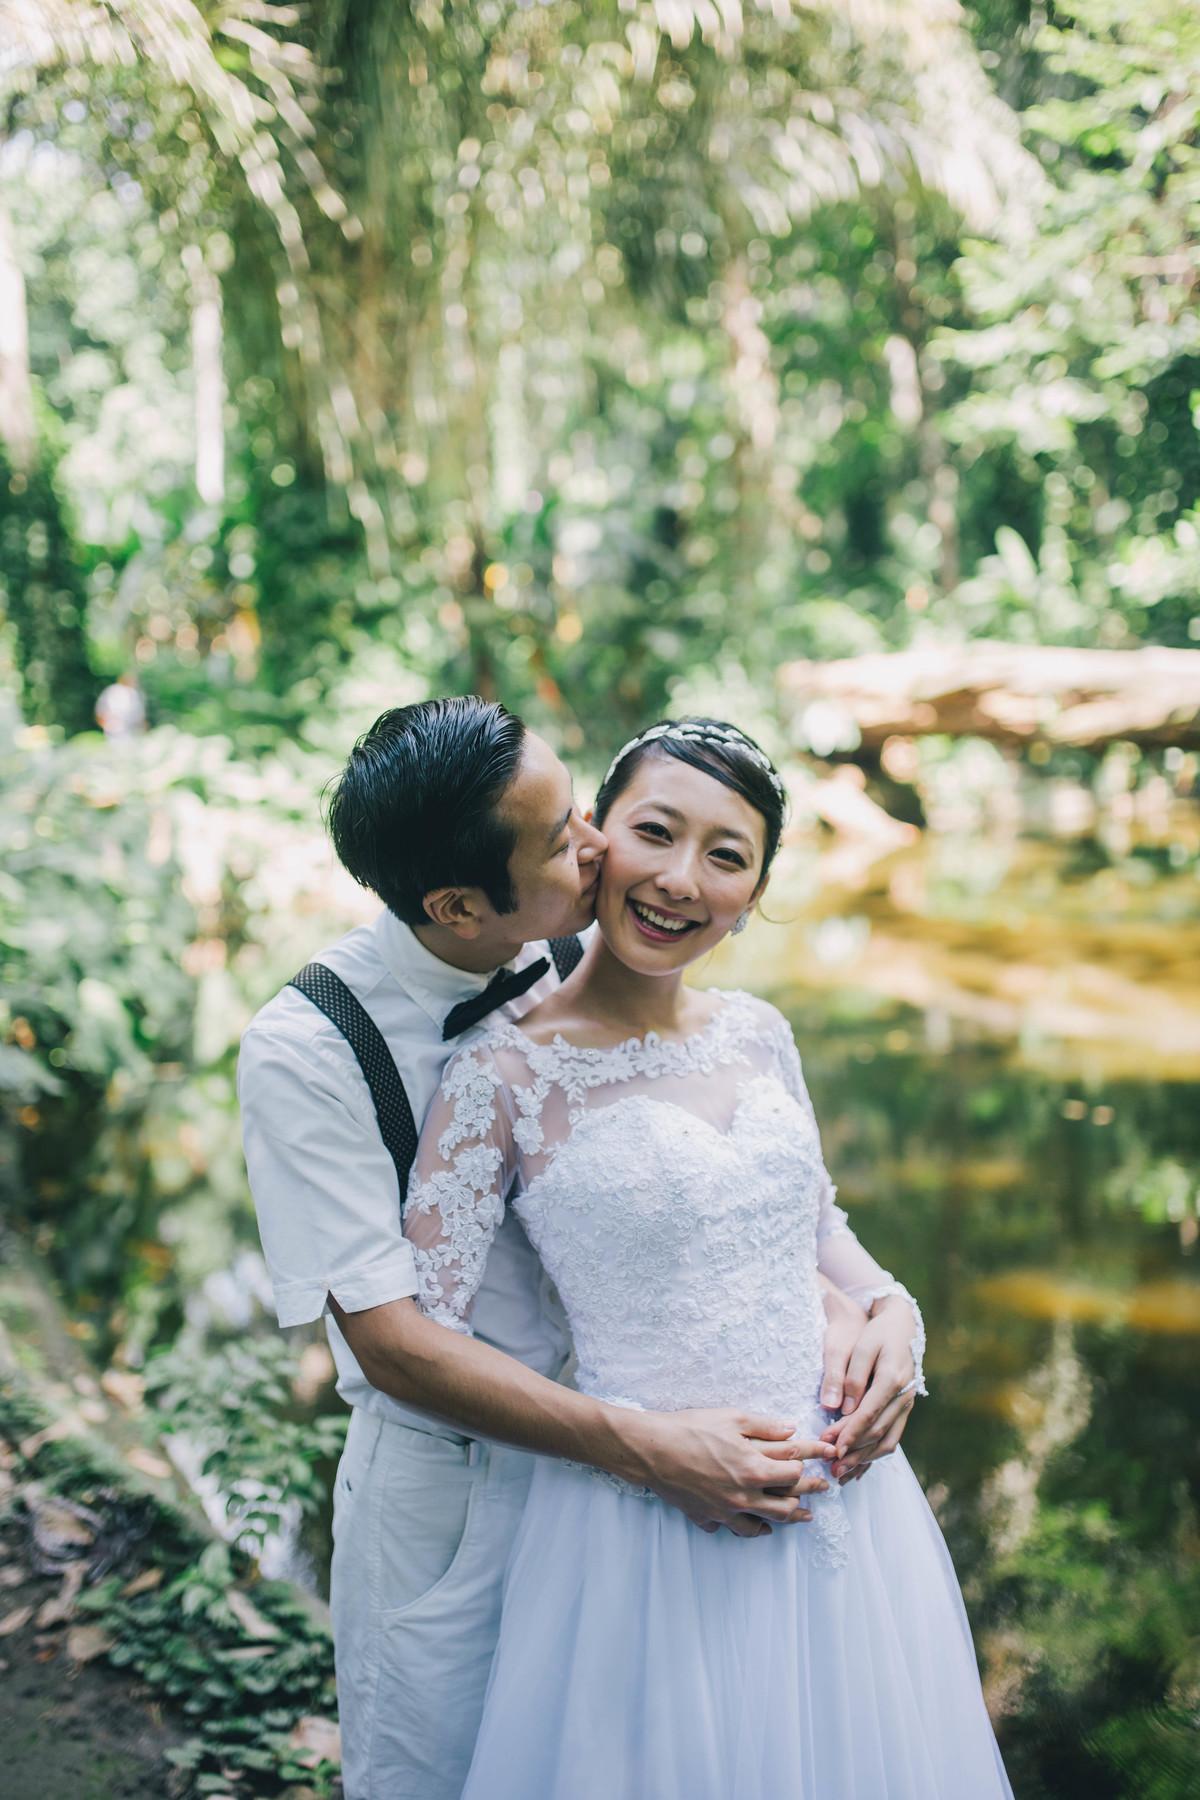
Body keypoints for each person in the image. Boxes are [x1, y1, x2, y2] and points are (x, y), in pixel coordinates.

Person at [238, 699, 921, 1800]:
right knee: (448, 1772)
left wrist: (870, 1307)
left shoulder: (608, 941)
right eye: (567, 837)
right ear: (460, 906)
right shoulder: (308, 1050)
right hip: (460, 1489)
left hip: (669, 1477)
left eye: (582, 812)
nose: (603, 846)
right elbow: (390, 1347)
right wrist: (644, 1446)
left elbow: (716, 1208)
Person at [404, 716, 1012, 1800]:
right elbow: (419, 1353)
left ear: (756, 889)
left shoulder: (759, 1033)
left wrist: (892, 1313)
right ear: (595, 838)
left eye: (726, 855)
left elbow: (814, 1234)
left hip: (845, 1508)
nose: (681, 880)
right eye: (656, 832)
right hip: (640, 1536)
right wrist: (640, 1448)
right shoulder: (500, 1075)